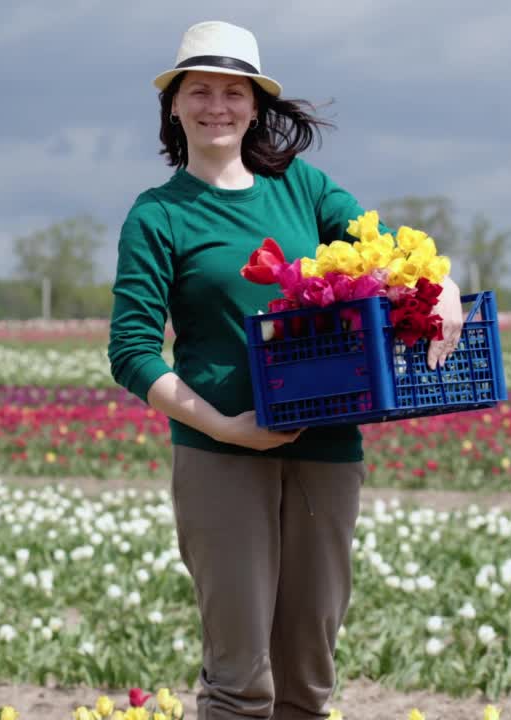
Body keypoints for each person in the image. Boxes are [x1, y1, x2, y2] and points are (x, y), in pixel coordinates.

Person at [107, 20, 464, 720]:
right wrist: (224, 427)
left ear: (255, 104)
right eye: (200, 90)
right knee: (239, 679)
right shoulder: (157, 215)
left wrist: (441, 286)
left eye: (234, 91)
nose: (218, 105)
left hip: (328, 445)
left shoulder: (303, 187)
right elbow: (131, 351)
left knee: (308, 677)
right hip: (219, 452)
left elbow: (386, 249)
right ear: (173, 106)